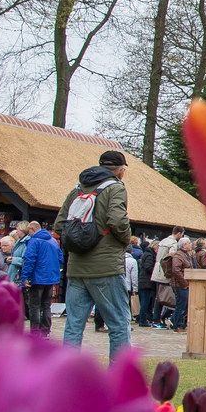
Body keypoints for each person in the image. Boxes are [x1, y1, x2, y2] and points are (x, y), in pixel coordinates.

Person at [58, 151, 132, 359]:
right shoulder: (116, 188)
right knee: (119, 324)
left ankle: (66, 378)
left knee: (73, 327)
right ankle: (119, 378)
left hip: (76, 268)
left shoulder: (77, 190)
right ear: (120, 170)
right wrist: (126, 239)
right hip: (105, 267)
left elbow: (59, 224)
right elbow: (117, 221)